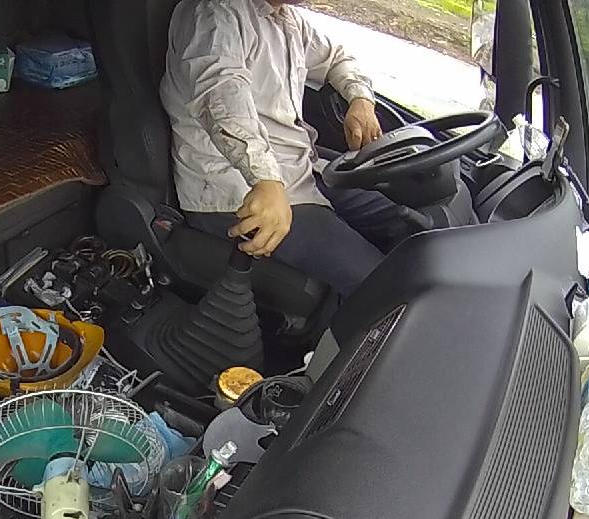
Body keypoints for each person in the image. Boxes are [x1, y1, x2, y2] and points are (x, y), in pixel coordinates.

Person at [160, 0, 406, 299]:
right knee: (380, 288)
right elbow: (221, 100)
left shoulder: (288, 20)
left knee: (408, 221)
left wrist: (361, 100)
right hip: (236, 189)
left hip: (299, 168)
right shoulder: (215, 13)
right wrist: (265, 180)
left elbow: (337, 58)